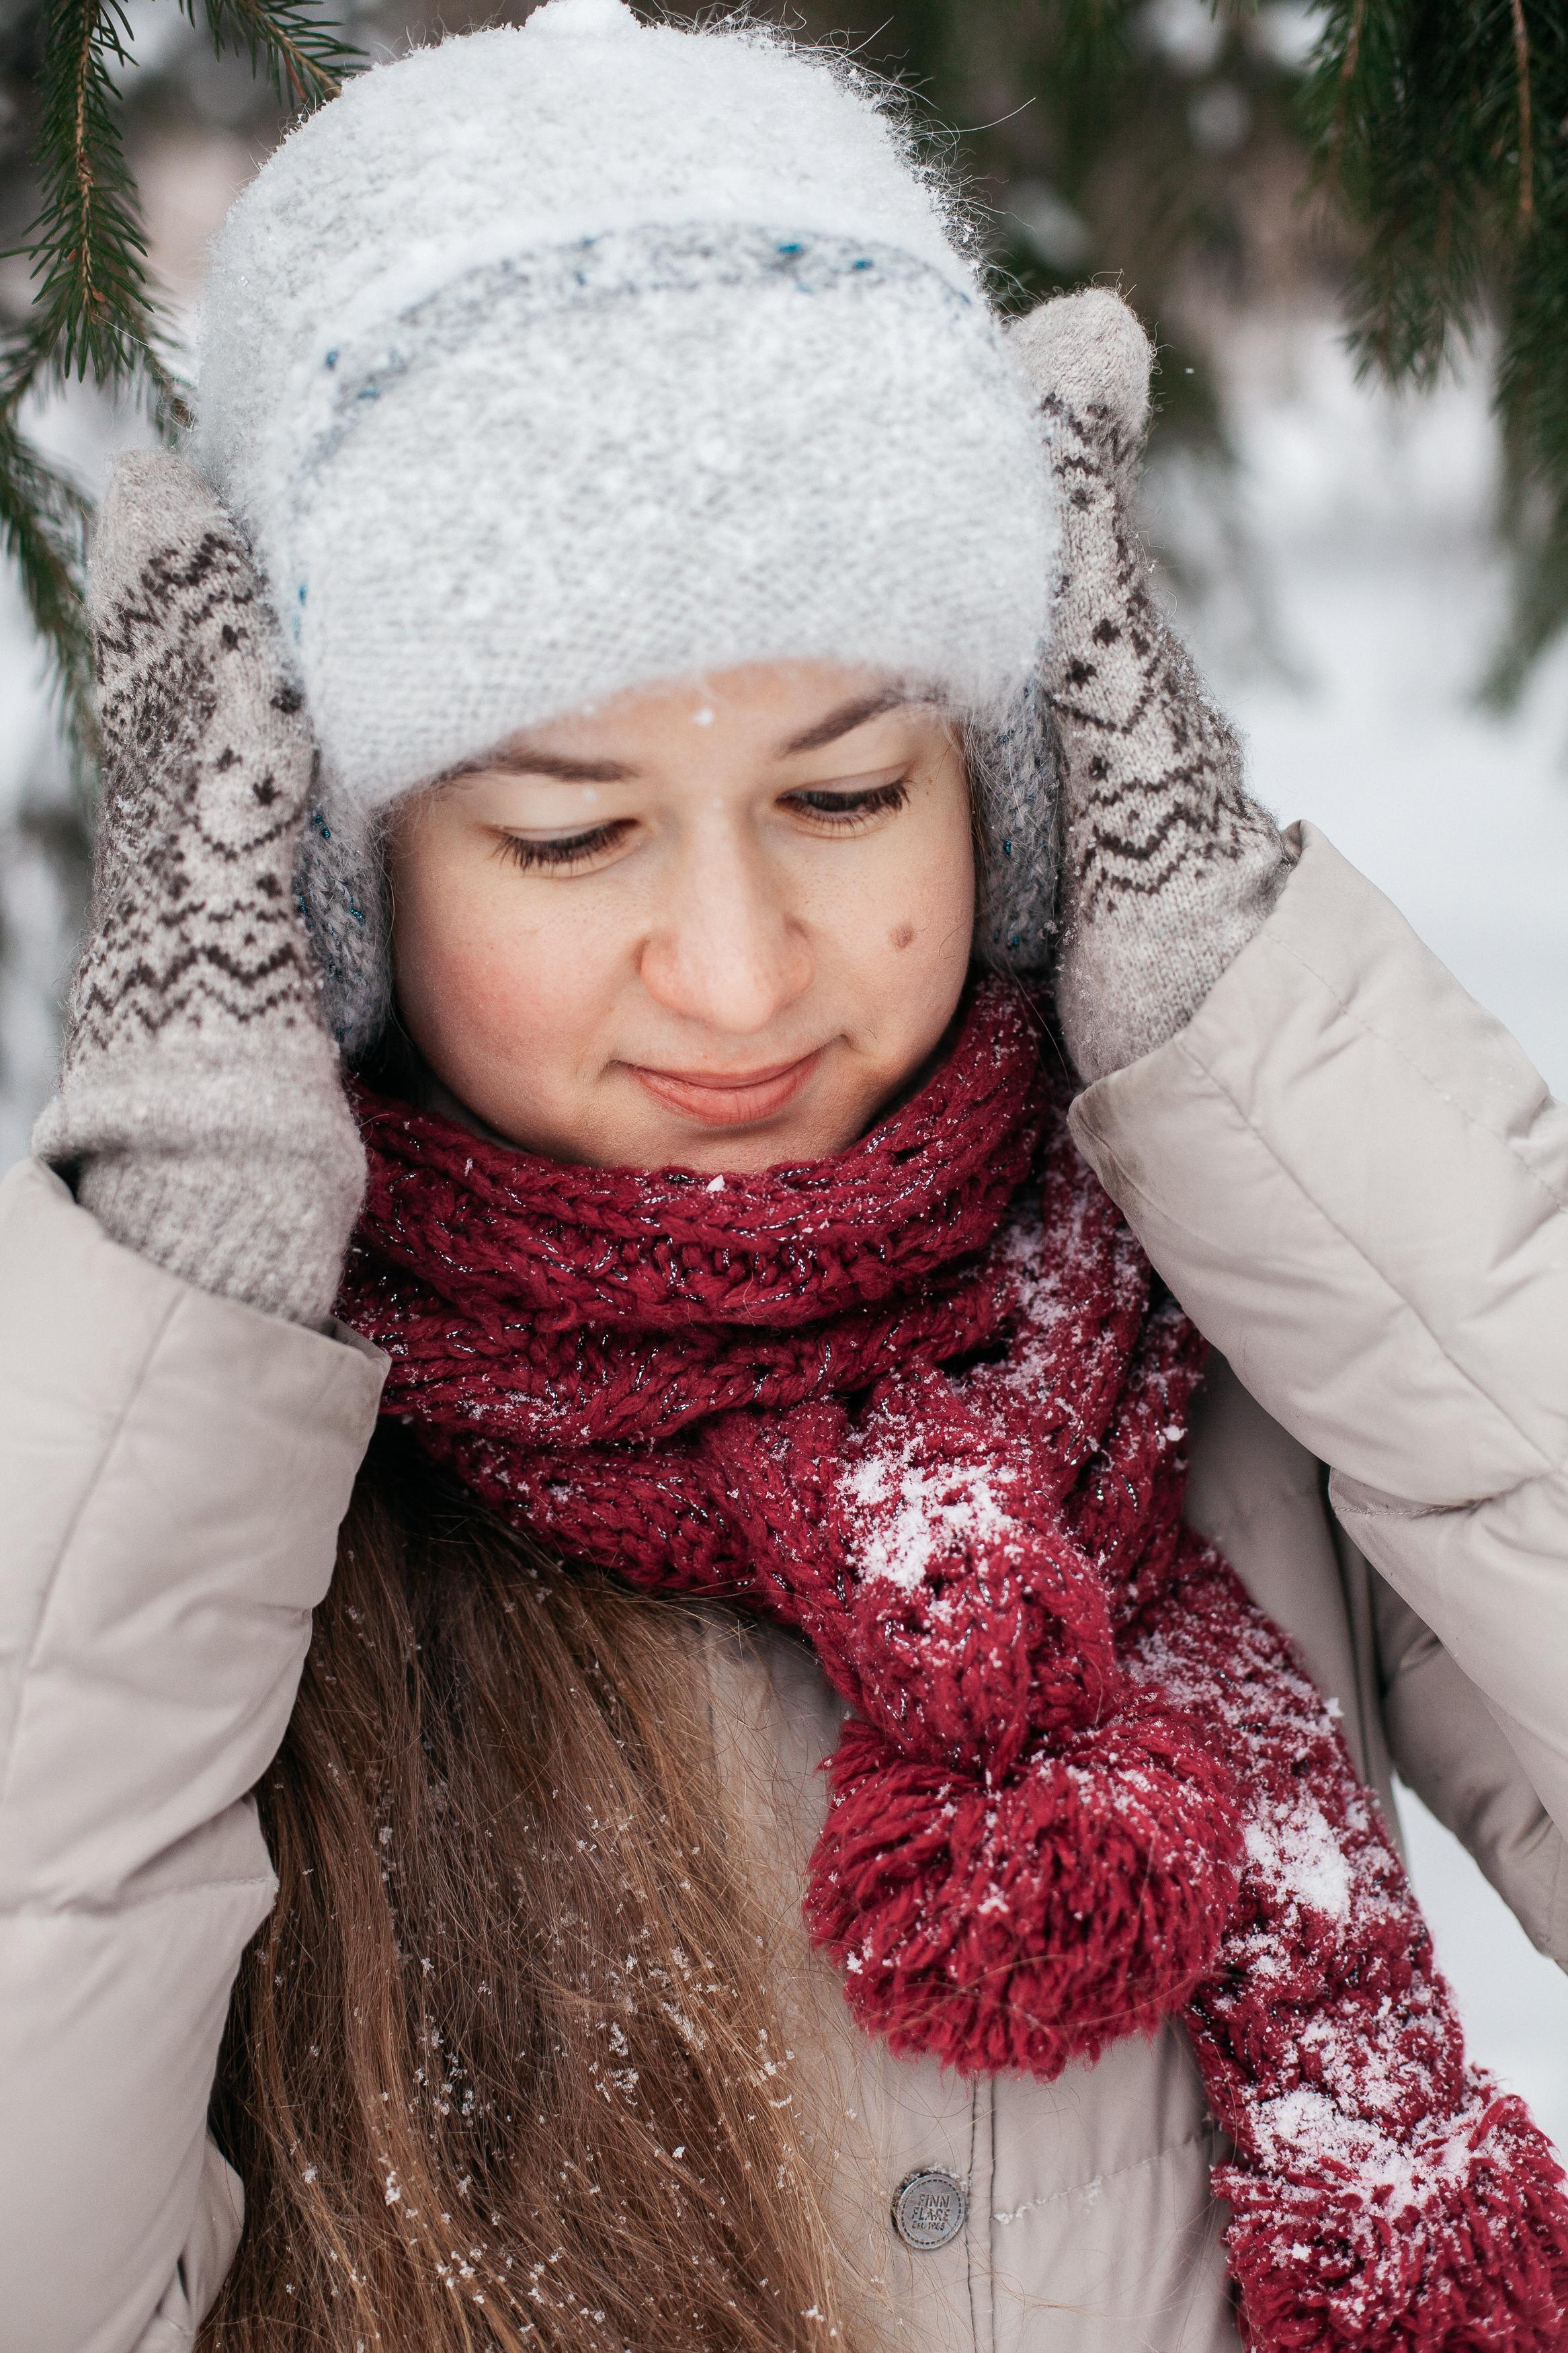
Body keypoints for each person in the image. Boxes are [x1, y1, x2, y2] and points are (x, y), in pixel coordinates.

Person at [2, 5, 1566, 2349]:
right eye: (569, 835)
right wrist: (180, 1280)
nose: (738, 975)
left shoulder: (1232, 1344)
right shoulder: (201, 1509)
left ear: (1010, 791)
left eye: (846, 796)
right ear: (331, 879)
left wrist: (1239, 1004)